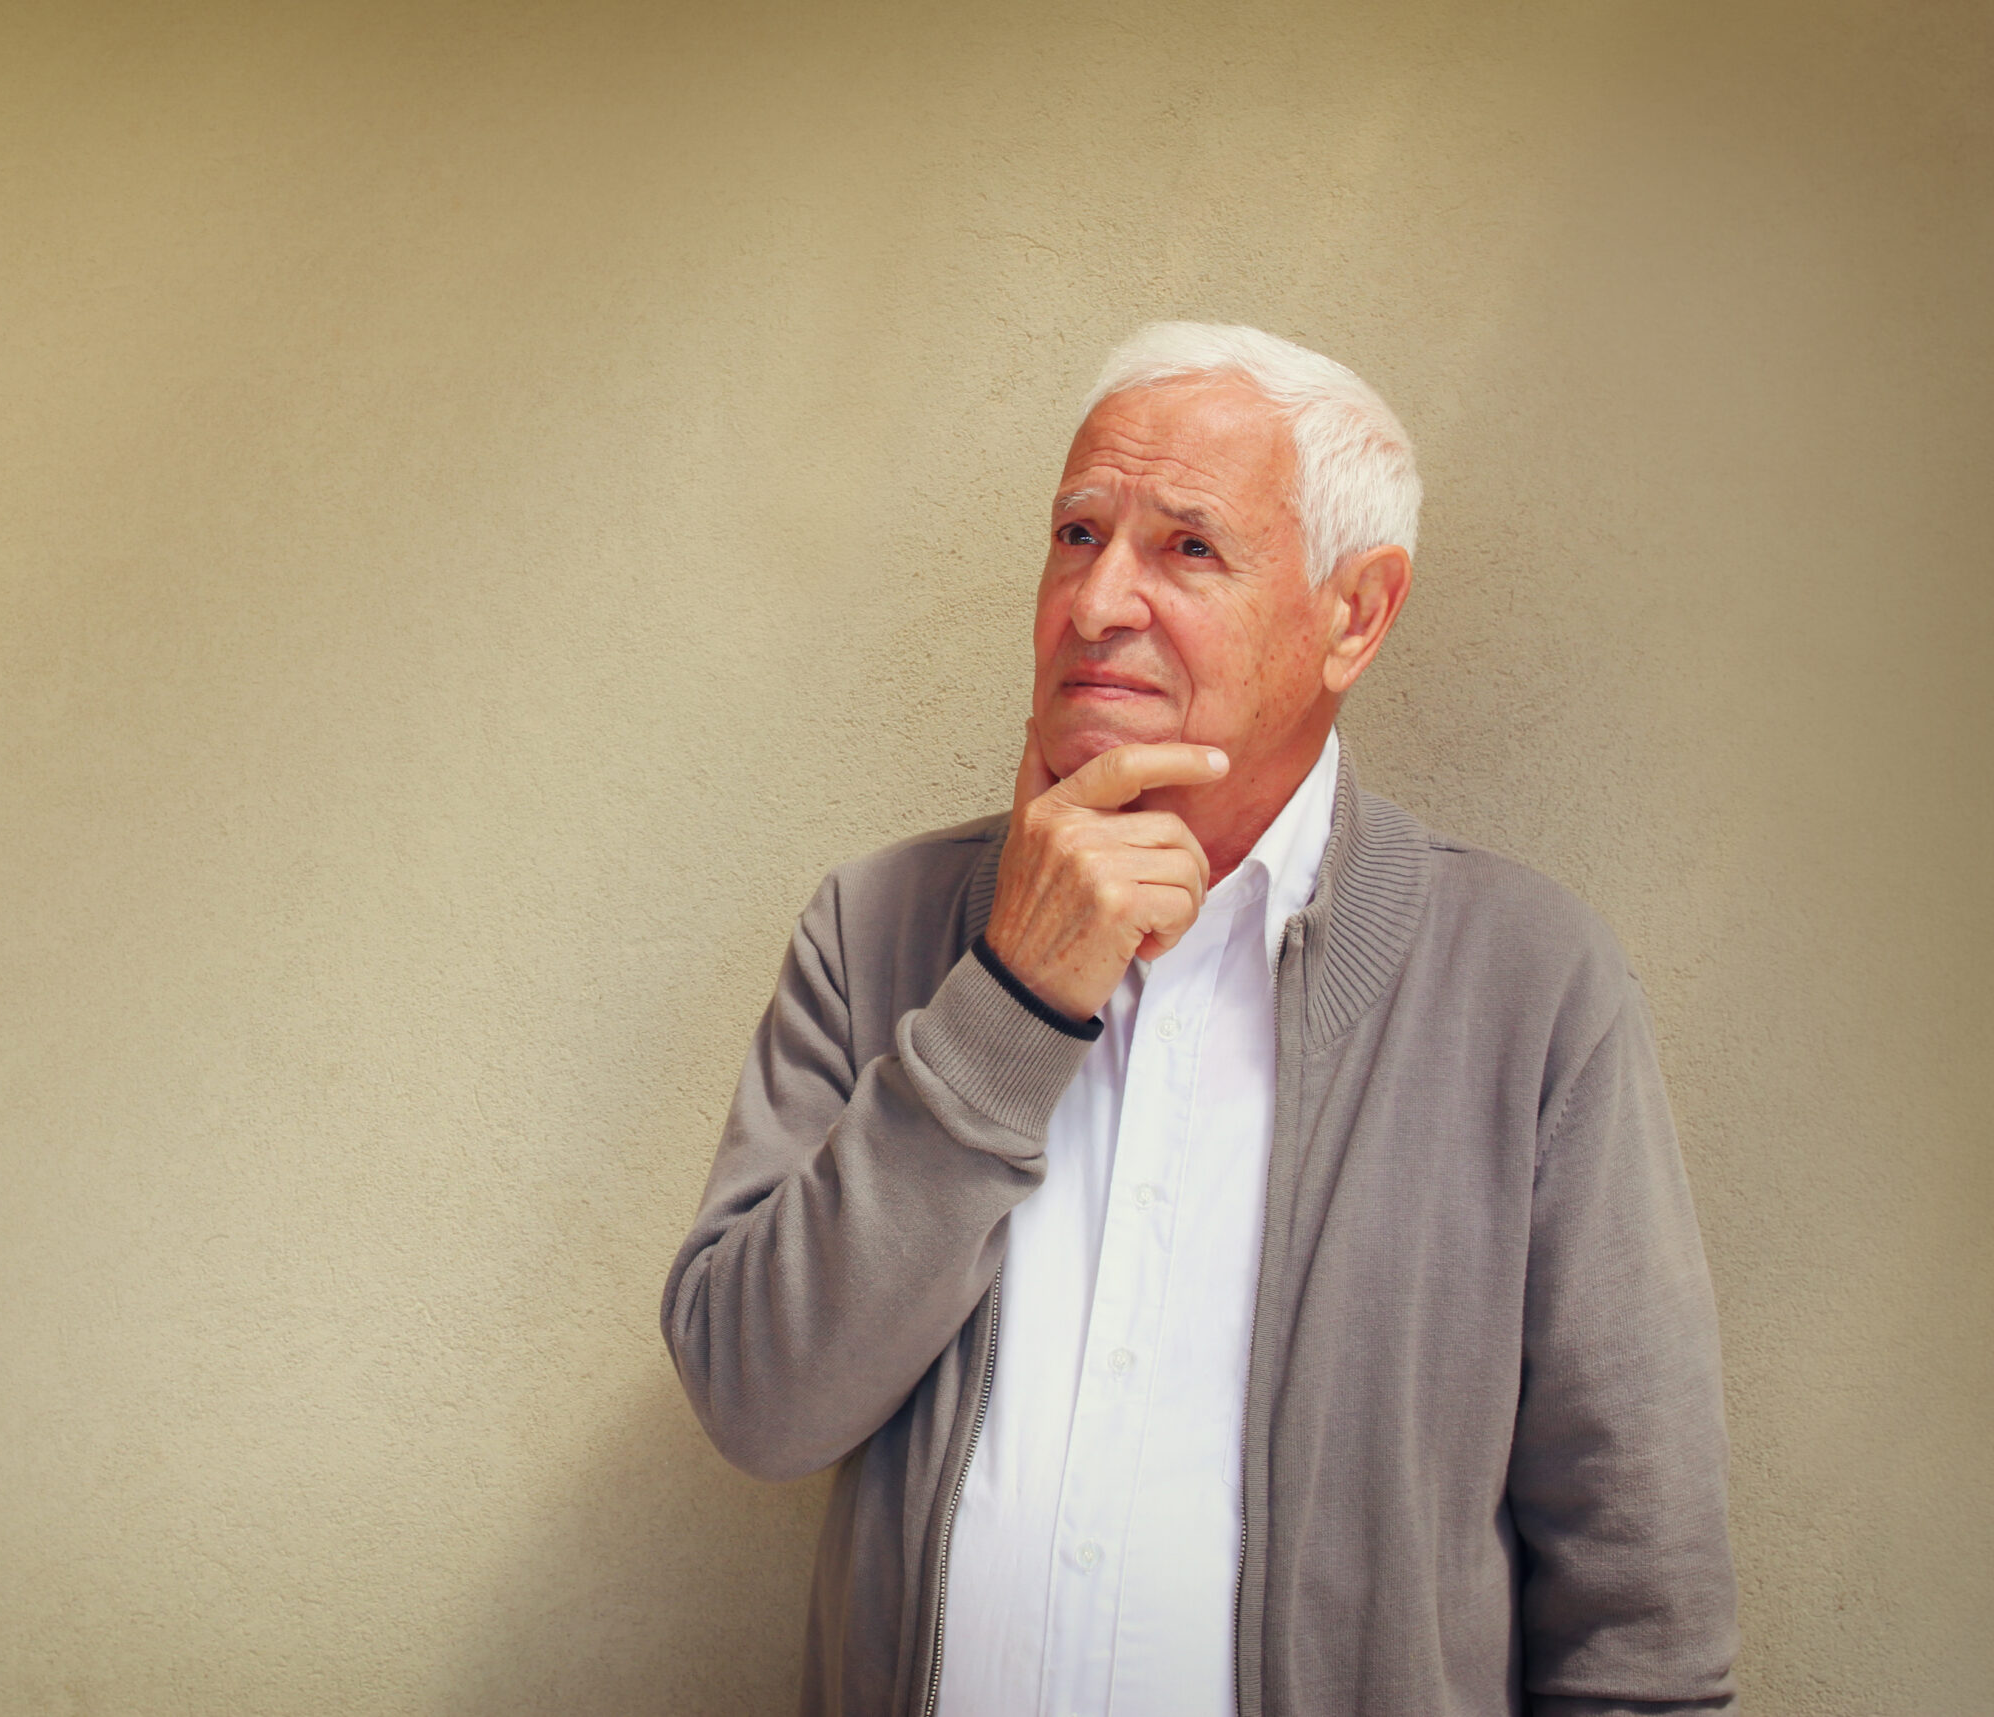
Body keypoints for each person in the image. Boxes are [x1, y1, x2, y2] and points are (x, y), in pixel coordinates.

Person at [660, 323, 1737, 1717]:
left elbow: (1641, 1600)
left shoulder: (1532, 987)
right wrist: (1012, 999)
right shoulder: (875, 929)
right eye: (1076, 531)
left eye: (1187, 549)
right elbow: (758, 1399)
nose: (1098, 600)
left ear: (1355, 613)